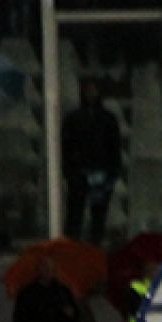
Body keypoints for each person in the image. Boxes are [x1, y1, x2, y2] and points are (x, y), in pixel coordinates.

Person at [61, 78, 124, 244]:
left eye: (94, 89)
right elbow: (66, 146)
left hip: (100, 172)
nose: (91, 94)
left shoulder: (108, 119)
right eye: (88, 90)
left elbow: (114, 146)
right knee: (75, 214)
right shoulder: (73, 118)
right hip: (79, 172)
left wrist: (113, 172)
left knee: (98, 215)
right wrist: (69, 171)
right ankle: (72, 246)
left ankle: (94, 247)